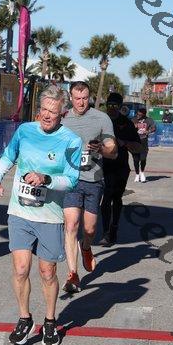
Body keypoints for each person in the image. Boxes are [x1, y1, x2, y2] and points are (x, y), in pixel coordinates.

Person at [0, 86, 82, 345]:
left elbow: (72, 180)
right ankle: (24, 318)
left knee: (47, 272)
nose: (47, 115)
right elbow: (9, 156)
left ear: (63, 114)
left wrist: (46, 179)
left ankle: (50, 321)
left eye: (53, 112)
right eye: (43, 110)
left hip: (49, 216)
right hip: (20, 211)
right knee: (20, 269)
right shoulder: (25, 131)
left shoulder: (71, 141)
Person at [61, 81, 117, 293]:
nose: (81, 102)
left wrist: (101, 148)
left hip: (94, 180)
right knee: (71, 225)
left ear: (90, 97)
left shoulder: (101, 118)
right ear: (71, 98)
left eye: (85, 98)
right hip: (70, 180)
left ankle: (86, 247)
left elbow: (113, 151)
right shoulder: (63, 119)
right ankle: (73, 275)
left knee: (90, 229)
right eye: (77, 98)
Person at [99, 92, 142, 246]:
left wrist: (123, 142)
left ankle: (114, 227)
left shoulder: (126, 123)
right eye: (109, 105)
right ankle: (106, 233)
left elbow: (138, 147)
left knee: (116, 198)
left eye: (115, 105)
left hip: (120, 167)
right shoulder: (100, 120)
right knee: (105, 200)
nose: (111, 108)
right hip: (102, 167)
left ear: (120, 107)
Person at [132, 107, 156, 182]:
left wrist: (148, 131)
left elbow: (154, 128)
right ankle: (137, 174)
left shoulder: (149, 120)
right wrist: (133, 126)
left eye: (140, 114)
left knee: (143, 158)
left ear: (144, 114)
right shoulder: (134, 119)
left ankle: (142, 172)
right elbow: (127, 128)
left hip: (143, 141)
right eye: (137, 114)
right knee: (136, 159)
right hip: (135, 142)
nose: (138, 115)